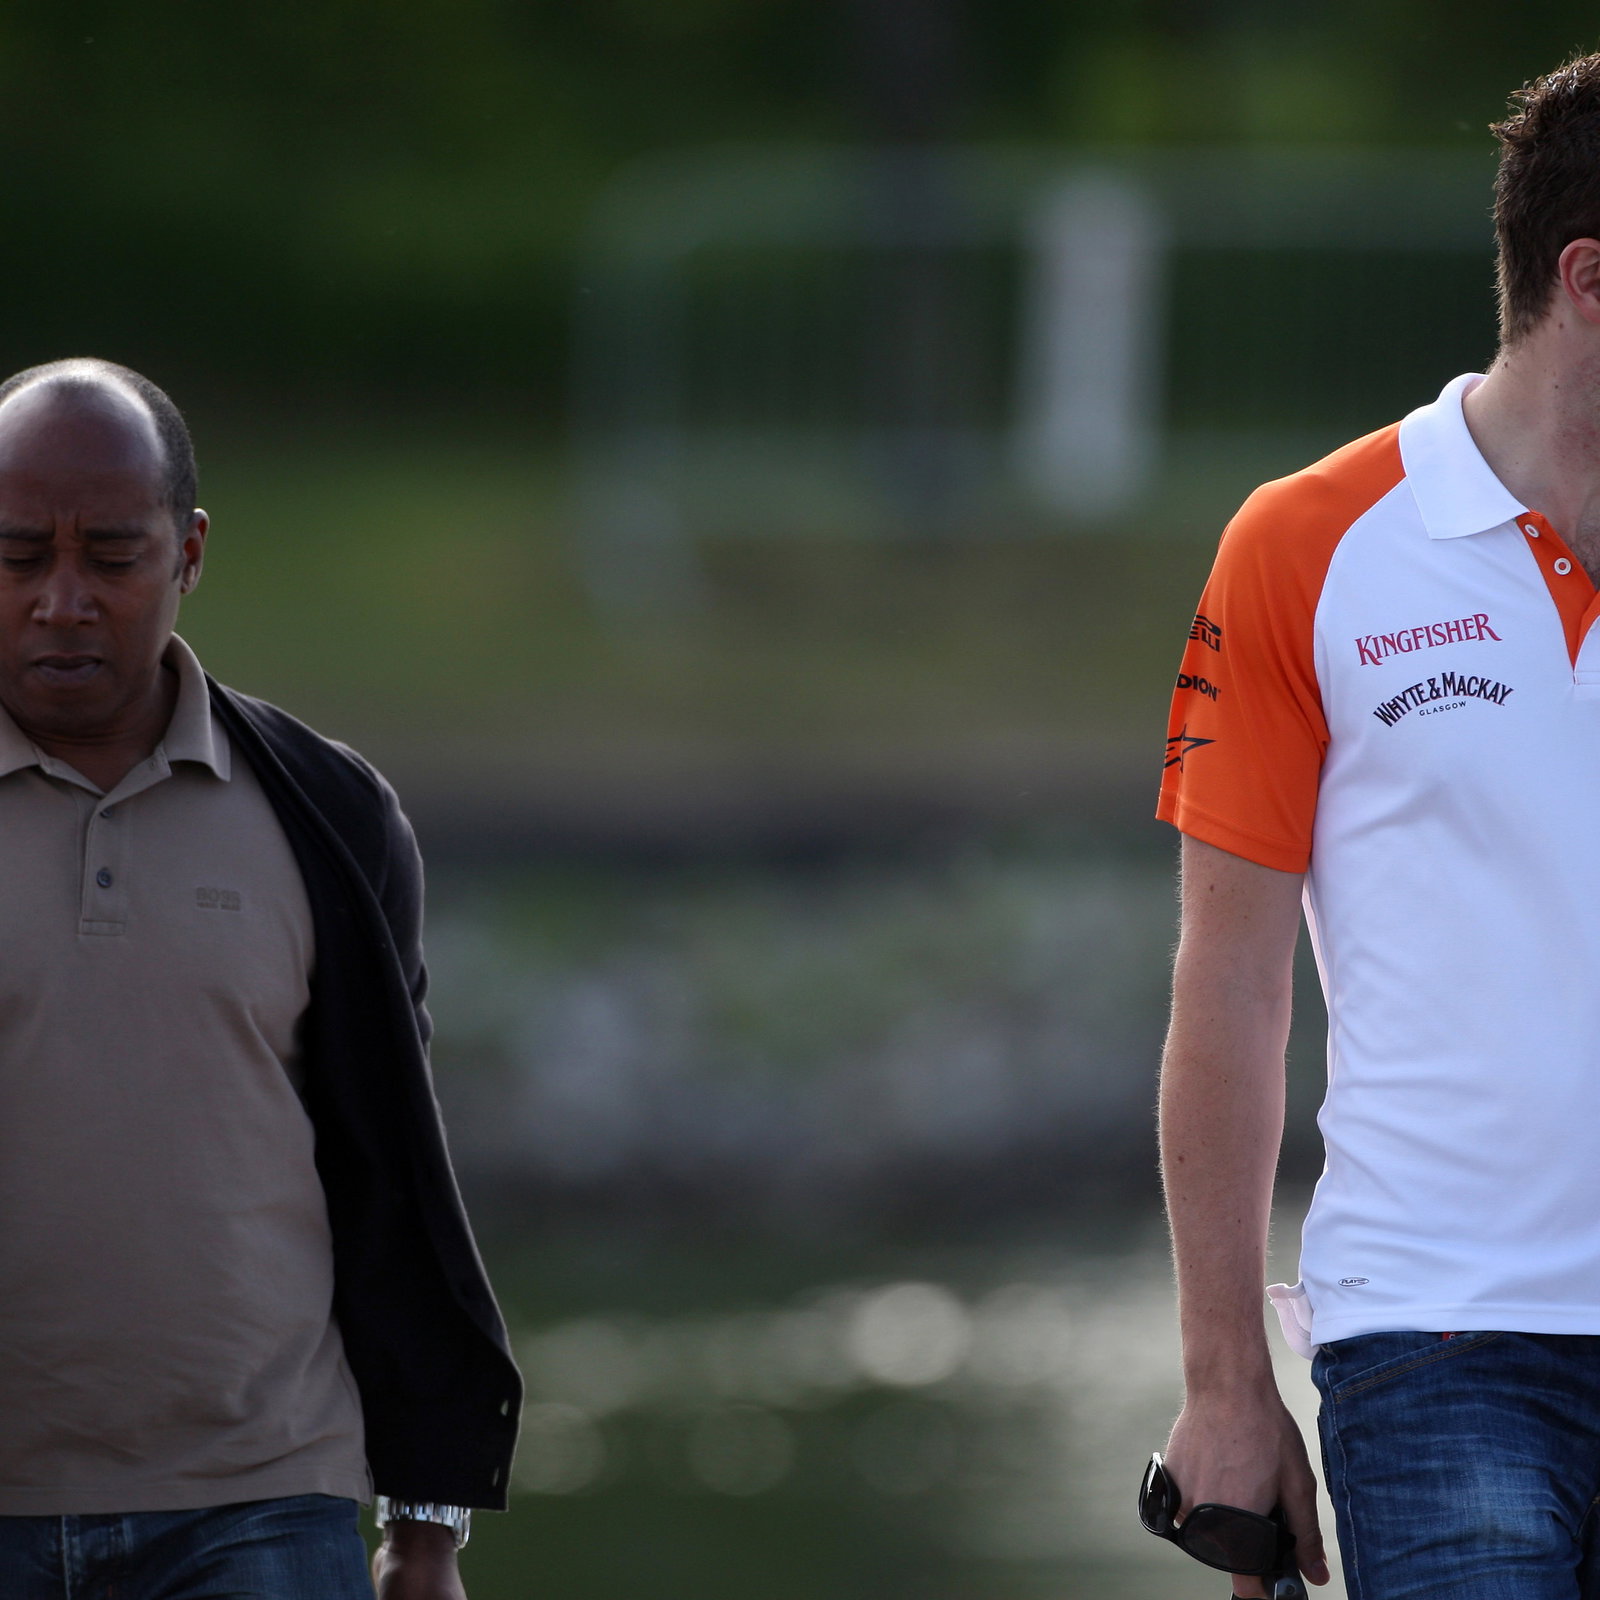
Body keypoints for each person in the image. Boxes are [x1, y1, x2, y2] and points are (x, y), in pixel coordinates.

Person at [1156, 53, 1600, 1600]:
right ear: (1589, 281)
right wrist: (1226, 1389)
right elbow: (1229, 984)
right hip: (1442, 1340)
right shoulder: (1306, 546)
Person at [0, 357, 522, 1600]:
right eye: (19, 554)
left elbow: (389, 1174)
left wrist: (427, 1527)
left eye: (111, 557)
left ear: (188, 553)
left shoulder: (328, 816)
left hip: (260, 1508)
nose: (61, 600)